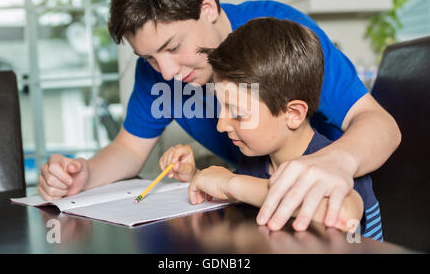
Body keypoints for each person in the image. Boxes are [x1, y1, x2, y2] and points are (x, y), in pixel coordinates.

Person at [37, 0, 400, 232]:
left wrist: (337, 161)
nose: (167, 73)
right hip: (260, 210)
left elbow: (378, 123)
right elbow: (129, 149)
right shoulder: (159, 72)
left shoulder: (277, 39)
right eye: (147, 57)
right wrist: (84, 175)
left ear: (207, 8)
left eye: (173, 45)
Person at [164, 18, 383, 239]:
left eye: (238, 113)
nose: (221, 125)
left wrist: (231, 183)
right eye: (222, 108)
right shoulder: (255, 161)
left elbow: (342, 217)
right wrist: (195, 175)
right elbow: (243, 191)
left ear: (294, 114)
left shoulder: (336, 168)